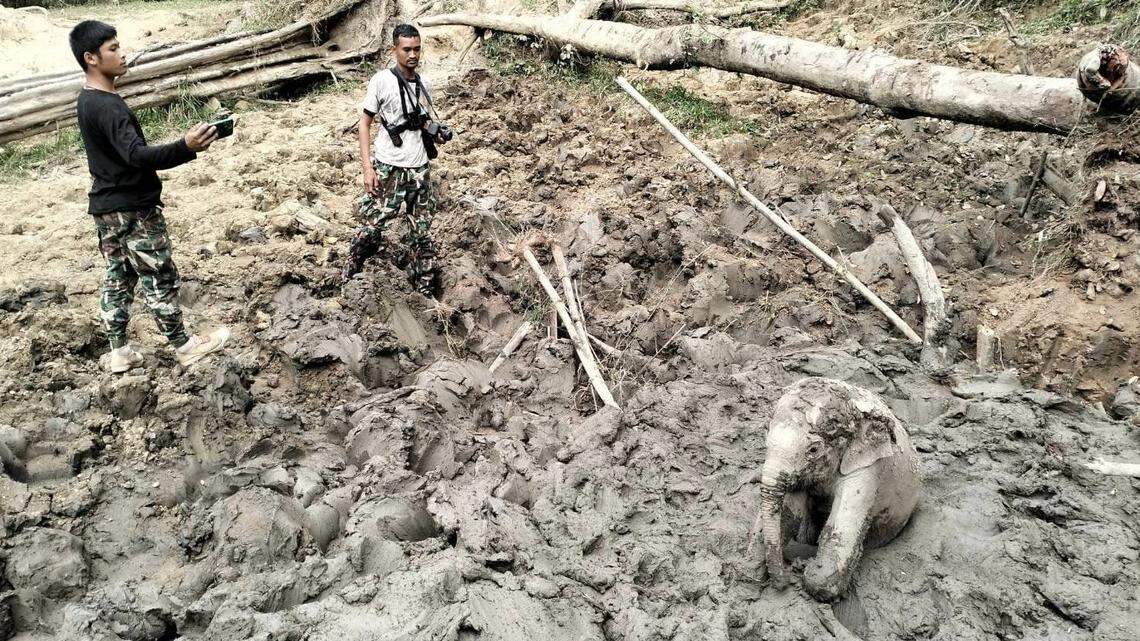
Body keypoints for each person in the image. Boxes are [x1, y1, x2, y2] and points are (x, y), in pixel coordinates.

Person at [69, 20, 230, 373]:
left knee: (117, 277)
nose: (121, 53)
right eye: (112, 48)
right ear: (91, 58)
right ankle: (185, 346)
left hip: (105, 207)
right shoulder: (109, 107)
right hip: (134, 208)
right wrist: (184, 147)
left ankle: (120, 352)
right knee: (158, 275)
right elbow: (136, 156)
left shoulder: (87, 99)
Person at [342, 23, 450, 296]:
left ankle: (423, 291)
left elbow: (423, 123)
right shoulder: (381, 81)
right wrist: (368, 168)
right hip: (388, 165)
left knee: (422, 231)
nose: (412, 55)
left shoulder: (425, 85)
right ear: (394, 50)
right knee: (373, 224)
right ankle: (349, 277)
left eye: (416, 49)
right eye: (406, 49)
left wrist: (436, 135)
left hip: (419, 168)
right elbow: (364, 124)